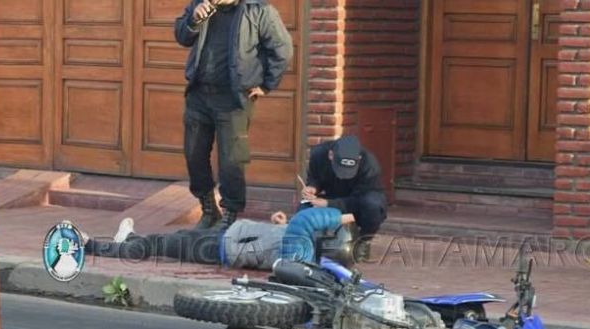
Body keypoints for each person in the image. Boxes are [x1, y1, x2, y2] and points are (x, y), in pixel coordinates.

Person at [175, 0, 293, 230]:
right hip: (199, 94)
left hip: (234, 98)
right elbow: (182, 36)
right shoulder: (201, 5)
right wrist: (193, 20)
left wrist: (267, 84)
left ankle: (230, 214)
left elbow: (283, 48)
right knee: (194, 154)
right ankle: (209, 209)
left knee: (232, 160)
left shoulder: (258, 10)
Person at [84, 208, 356, 271]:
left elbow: (306, 219)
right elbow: (292, 231)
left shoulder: (300, 250)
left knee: (159, 246)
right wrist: (281, 225)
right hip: (226, 239)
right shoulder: (304, 255)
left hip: (220, 248)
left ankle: (92, 246)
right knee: (170, 239)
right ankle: (128, 238)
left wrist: (345, 217)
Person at [300, 135, 388, 262]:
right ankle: (305, 243)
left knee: (373, 205)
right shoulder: (318, 155)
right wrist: (312, 188)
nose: (343, 175)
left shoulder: (370, 164)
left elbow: (358, 200)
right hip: (333, 195)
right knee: (304, 208)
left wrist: (328, 203)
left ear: (359, 158)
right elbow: (315, 178)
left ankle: (363, 242)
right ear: (331, 155)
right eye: (340, 169)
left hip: (360, 200)